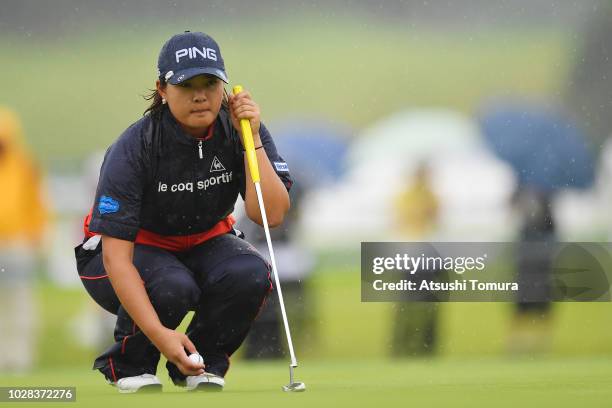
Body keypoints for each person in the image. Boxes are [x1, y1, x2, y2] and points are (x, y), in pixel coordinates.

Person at [73, 31, 292, 393]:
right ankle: (130, 364)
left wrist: (251, 138)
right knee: (173, 285)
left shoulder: (240, 129)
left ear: (225, 86)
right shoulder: (135, 146)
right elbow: (116, 259)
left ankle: (199, 364)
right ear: (162, 88)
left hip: (202, 242)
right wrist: (160, 335)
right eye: (186, 84)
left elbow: (270, 215)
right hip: (122, 256)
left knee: (249, 272)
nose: (200, 94)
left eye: (210, 82)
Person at [0, 107, 48, 372]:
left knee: (19, 301)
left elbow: (36, 203)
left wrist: (37, 236)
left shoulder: (23, 163)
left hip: (17, 244)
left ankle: (19, 359)